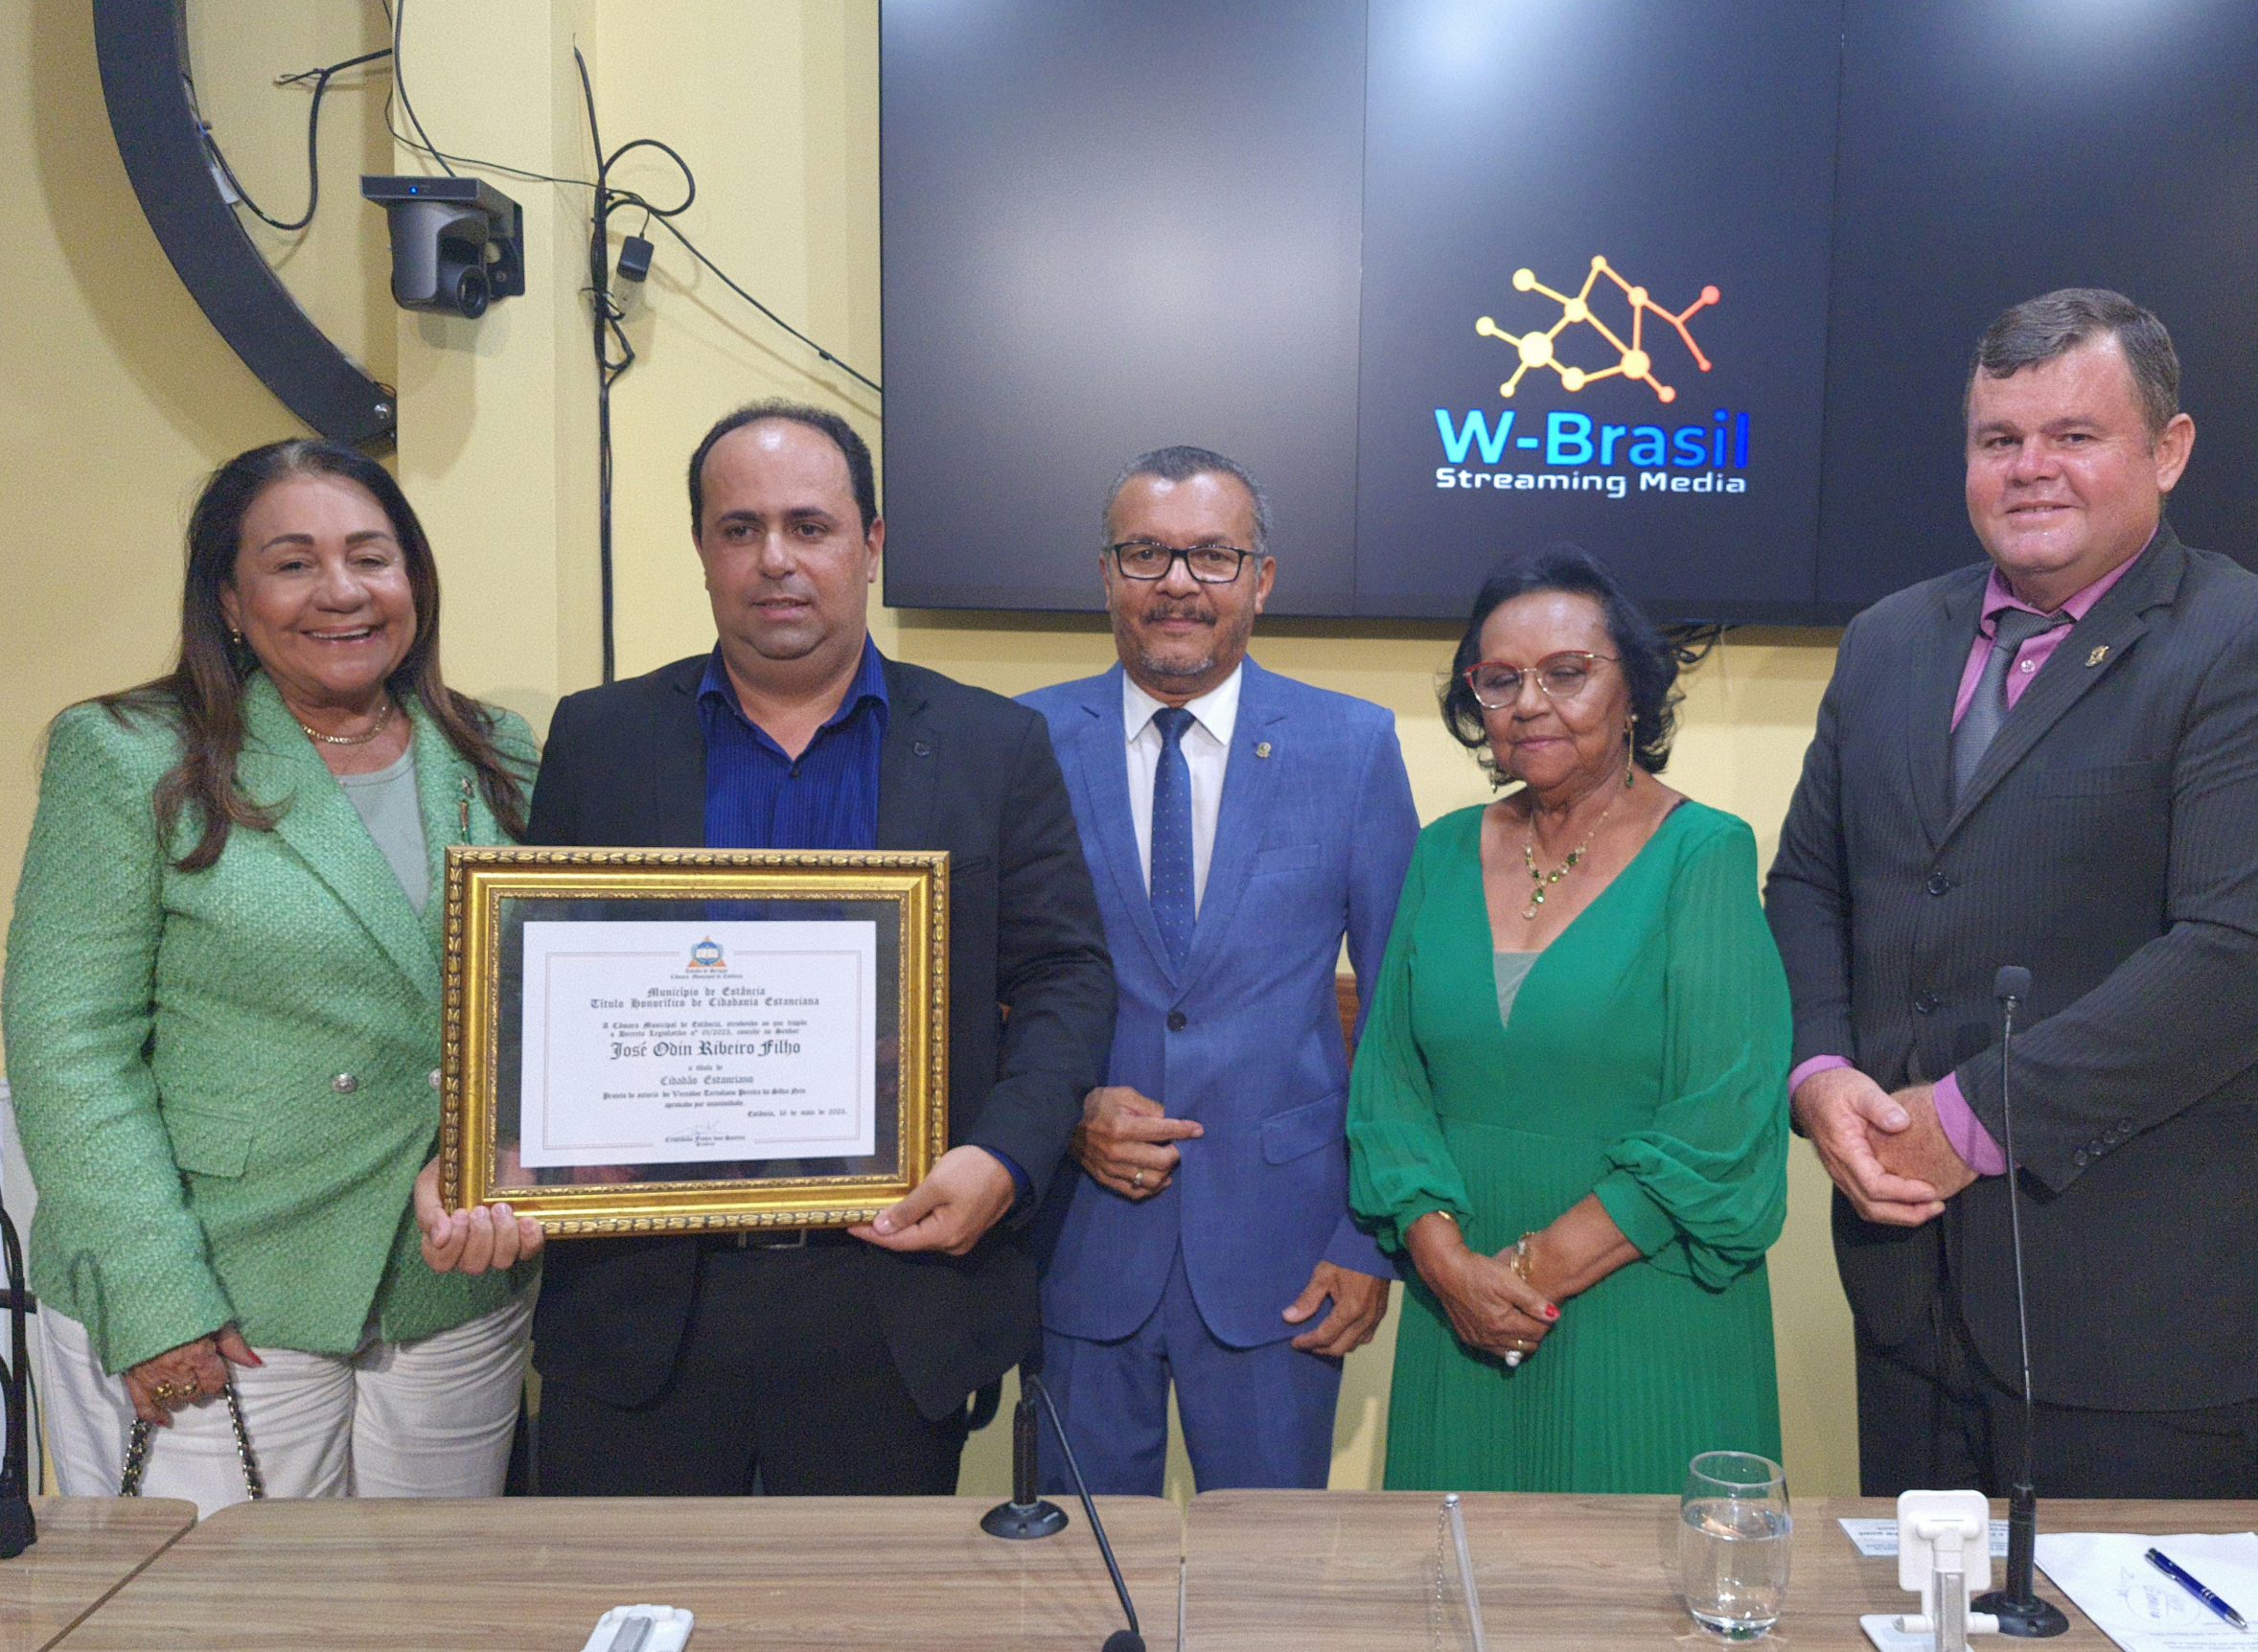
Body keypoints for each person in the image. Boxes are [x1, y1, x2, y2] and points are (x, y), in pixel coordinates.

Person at [1764, 287, 2258, 1500]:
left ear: (2168, 450)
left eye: (2074, 435)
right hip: (1907, 1287)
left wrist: (1970, 1117)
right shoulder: (1888, 640)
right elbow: (1811, 885)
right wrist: (1819, 1073)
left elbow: (2247, 956)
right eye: (1999, 439)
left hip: (2146, 1316)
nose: (2029, 468)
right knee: (1909, 1601)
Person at [522, 400, 1114, 1495]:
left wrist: (1003, 1156)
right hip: (642, 1297)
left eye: (809, 525)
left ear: (870, 543)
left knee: (863, 1593)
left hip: (889, 1294)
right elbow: (537, 989)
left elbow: (1063, 976)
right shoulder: (600, 739)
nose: (775, 560)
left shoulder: (991, 744)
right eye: (739, 529)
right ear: (701, 548)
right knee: (623, 1588)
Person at [2, 440, 545, 1513]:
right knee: (227, 1604)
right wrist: (154, 1299)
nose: (341, 590)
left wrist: (508, 1156)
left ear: (414, 580)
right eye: (294, 563)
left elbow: (538, 1005)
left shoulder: (495, 751)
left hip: (451, 1294)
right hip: (223, 1295)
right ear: (231, 600)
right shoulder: (128, 752)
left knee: (438, 1599)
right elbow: (68, 1044)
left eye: (371, 557)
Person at [1347, 544, 1790, 1492]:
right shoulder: (1440, 851)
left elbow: (1723, 1119)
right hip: (1455, 1311)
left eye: (1567, 672)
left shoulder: (1705, 852)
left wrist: (1524, 1277)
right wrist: (1446, 1264)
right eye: (1500, 679)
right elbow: (1388, 1086)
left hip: (1643, 1310)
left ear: (1634, 691)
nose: (1530, 702)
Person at [1020, 447, 1417, 1493]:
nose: (1179, 582)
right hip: (1076, 1241)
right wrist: (1064, 1112)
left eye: (1212, 555)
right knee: (1081, 1567)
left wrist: (1368, 1237)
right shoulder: (1024, 739)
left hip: (1286, 1252)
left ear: (1261, 578)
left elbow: (1399, 1014)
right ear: (1106, 573)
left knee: (1271, 1572)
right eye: (1146, 553)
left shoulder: (1353, 746)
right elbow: (982, 989)